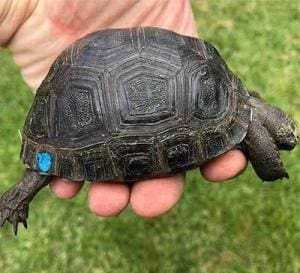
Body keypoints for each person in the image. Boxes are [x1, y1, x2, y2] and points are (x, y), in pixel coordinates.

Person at [0, 0, 247, 218]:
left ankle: (24, 189)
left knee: (46, 165)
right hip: (84, 118)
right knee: (45, 165)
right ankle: (18, 196)